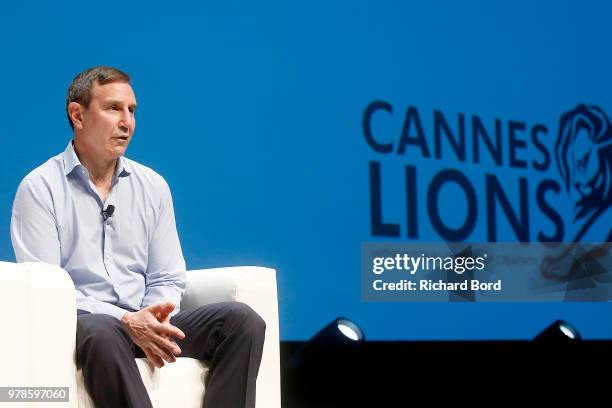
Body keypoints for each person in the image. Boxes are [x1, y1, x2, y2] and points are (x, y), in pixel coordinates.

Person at [10, 66, 265, 408]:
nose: (127, 122)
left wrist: (152, 319)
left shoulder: (153, 186)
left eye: (132, 110)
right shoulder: (40, 189)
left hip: (147, 321)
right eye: (113, 108)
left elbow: (167, 275)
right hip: (88, 325)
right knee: (103, 331)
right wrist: (126, 321)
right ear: (77, 115)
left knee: (241, 321)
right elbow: (46, 291)